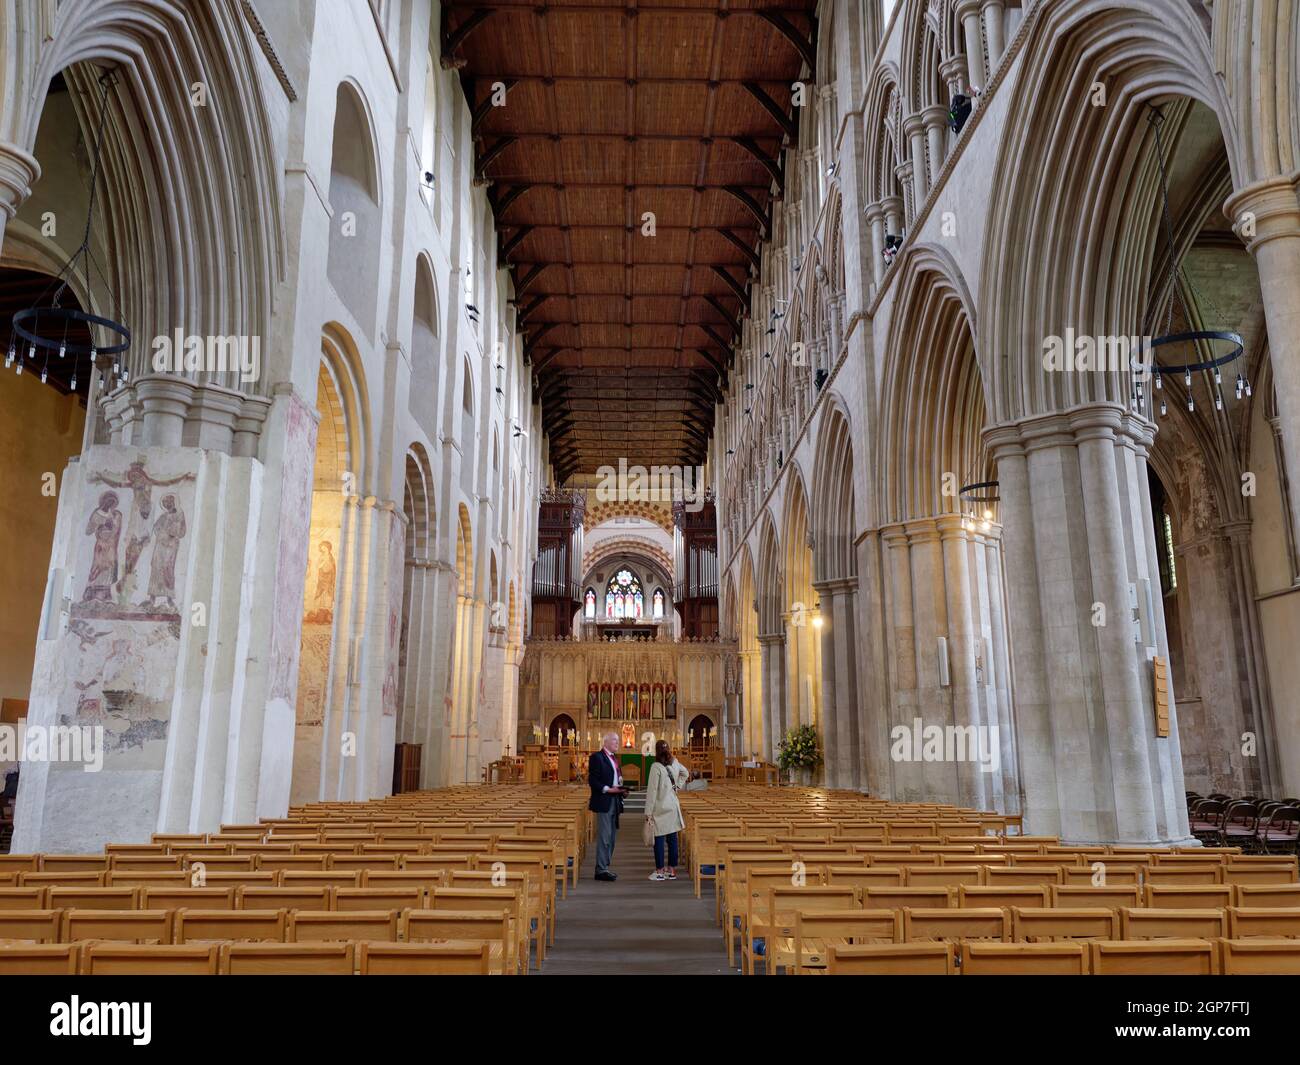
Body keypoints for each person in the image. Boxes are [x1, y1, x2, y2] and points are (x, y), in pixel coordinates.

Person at [643, 739, 689, 881]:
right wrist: (677, 786)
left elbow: (652, 791)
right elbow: (686, 773)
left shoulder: (656, 767)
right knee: (672, 839)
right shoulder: (674, 763)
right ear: (668, 749)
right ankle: (672, 871)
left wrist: (648, 812)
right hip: (673, 805)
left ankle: (660, 871)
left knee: (659, 839)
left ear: (656, 751)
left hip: (660, 807)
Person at [587, 731, 627, 881]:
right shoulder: (597, 757)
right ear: (606, 742)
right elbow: (593, 780)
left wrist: (622, 791)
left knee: (612, 837)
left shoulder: (614, 759)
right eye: (615, 741)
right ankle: (601, 869)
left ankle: (605, 866)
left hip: (615, 800)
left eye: (618, 741)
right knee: (604, 836)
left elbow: (617, 779)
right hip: (604, 800)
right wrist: (608, 789)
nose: (618, 743)